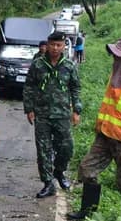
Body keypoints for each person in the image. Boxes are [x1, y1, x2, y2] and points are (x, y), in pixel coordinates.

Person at [69, 37, 121, 220]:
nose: (114, 58)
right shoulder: (116, 76)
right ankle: (87, 213)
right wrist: (99, 127)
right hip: (105, 136)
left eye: (118, 56)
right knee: (87, 169)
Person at [23, 31, 82, 199]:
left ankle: (59, 172)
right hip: (42, 115)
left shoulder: (69, 66)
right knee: (43, 150)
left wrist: (76, 110)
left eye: (58, 45)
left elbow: (75, 88)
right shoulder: (38, 65)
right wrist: (29, 109)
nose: (55, 48)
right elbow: (29, 87)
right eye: (52, 45)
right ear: (47, 45)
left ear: (63, 46)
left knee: (66, 148)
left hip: (62, 114)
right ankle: (48, 183)